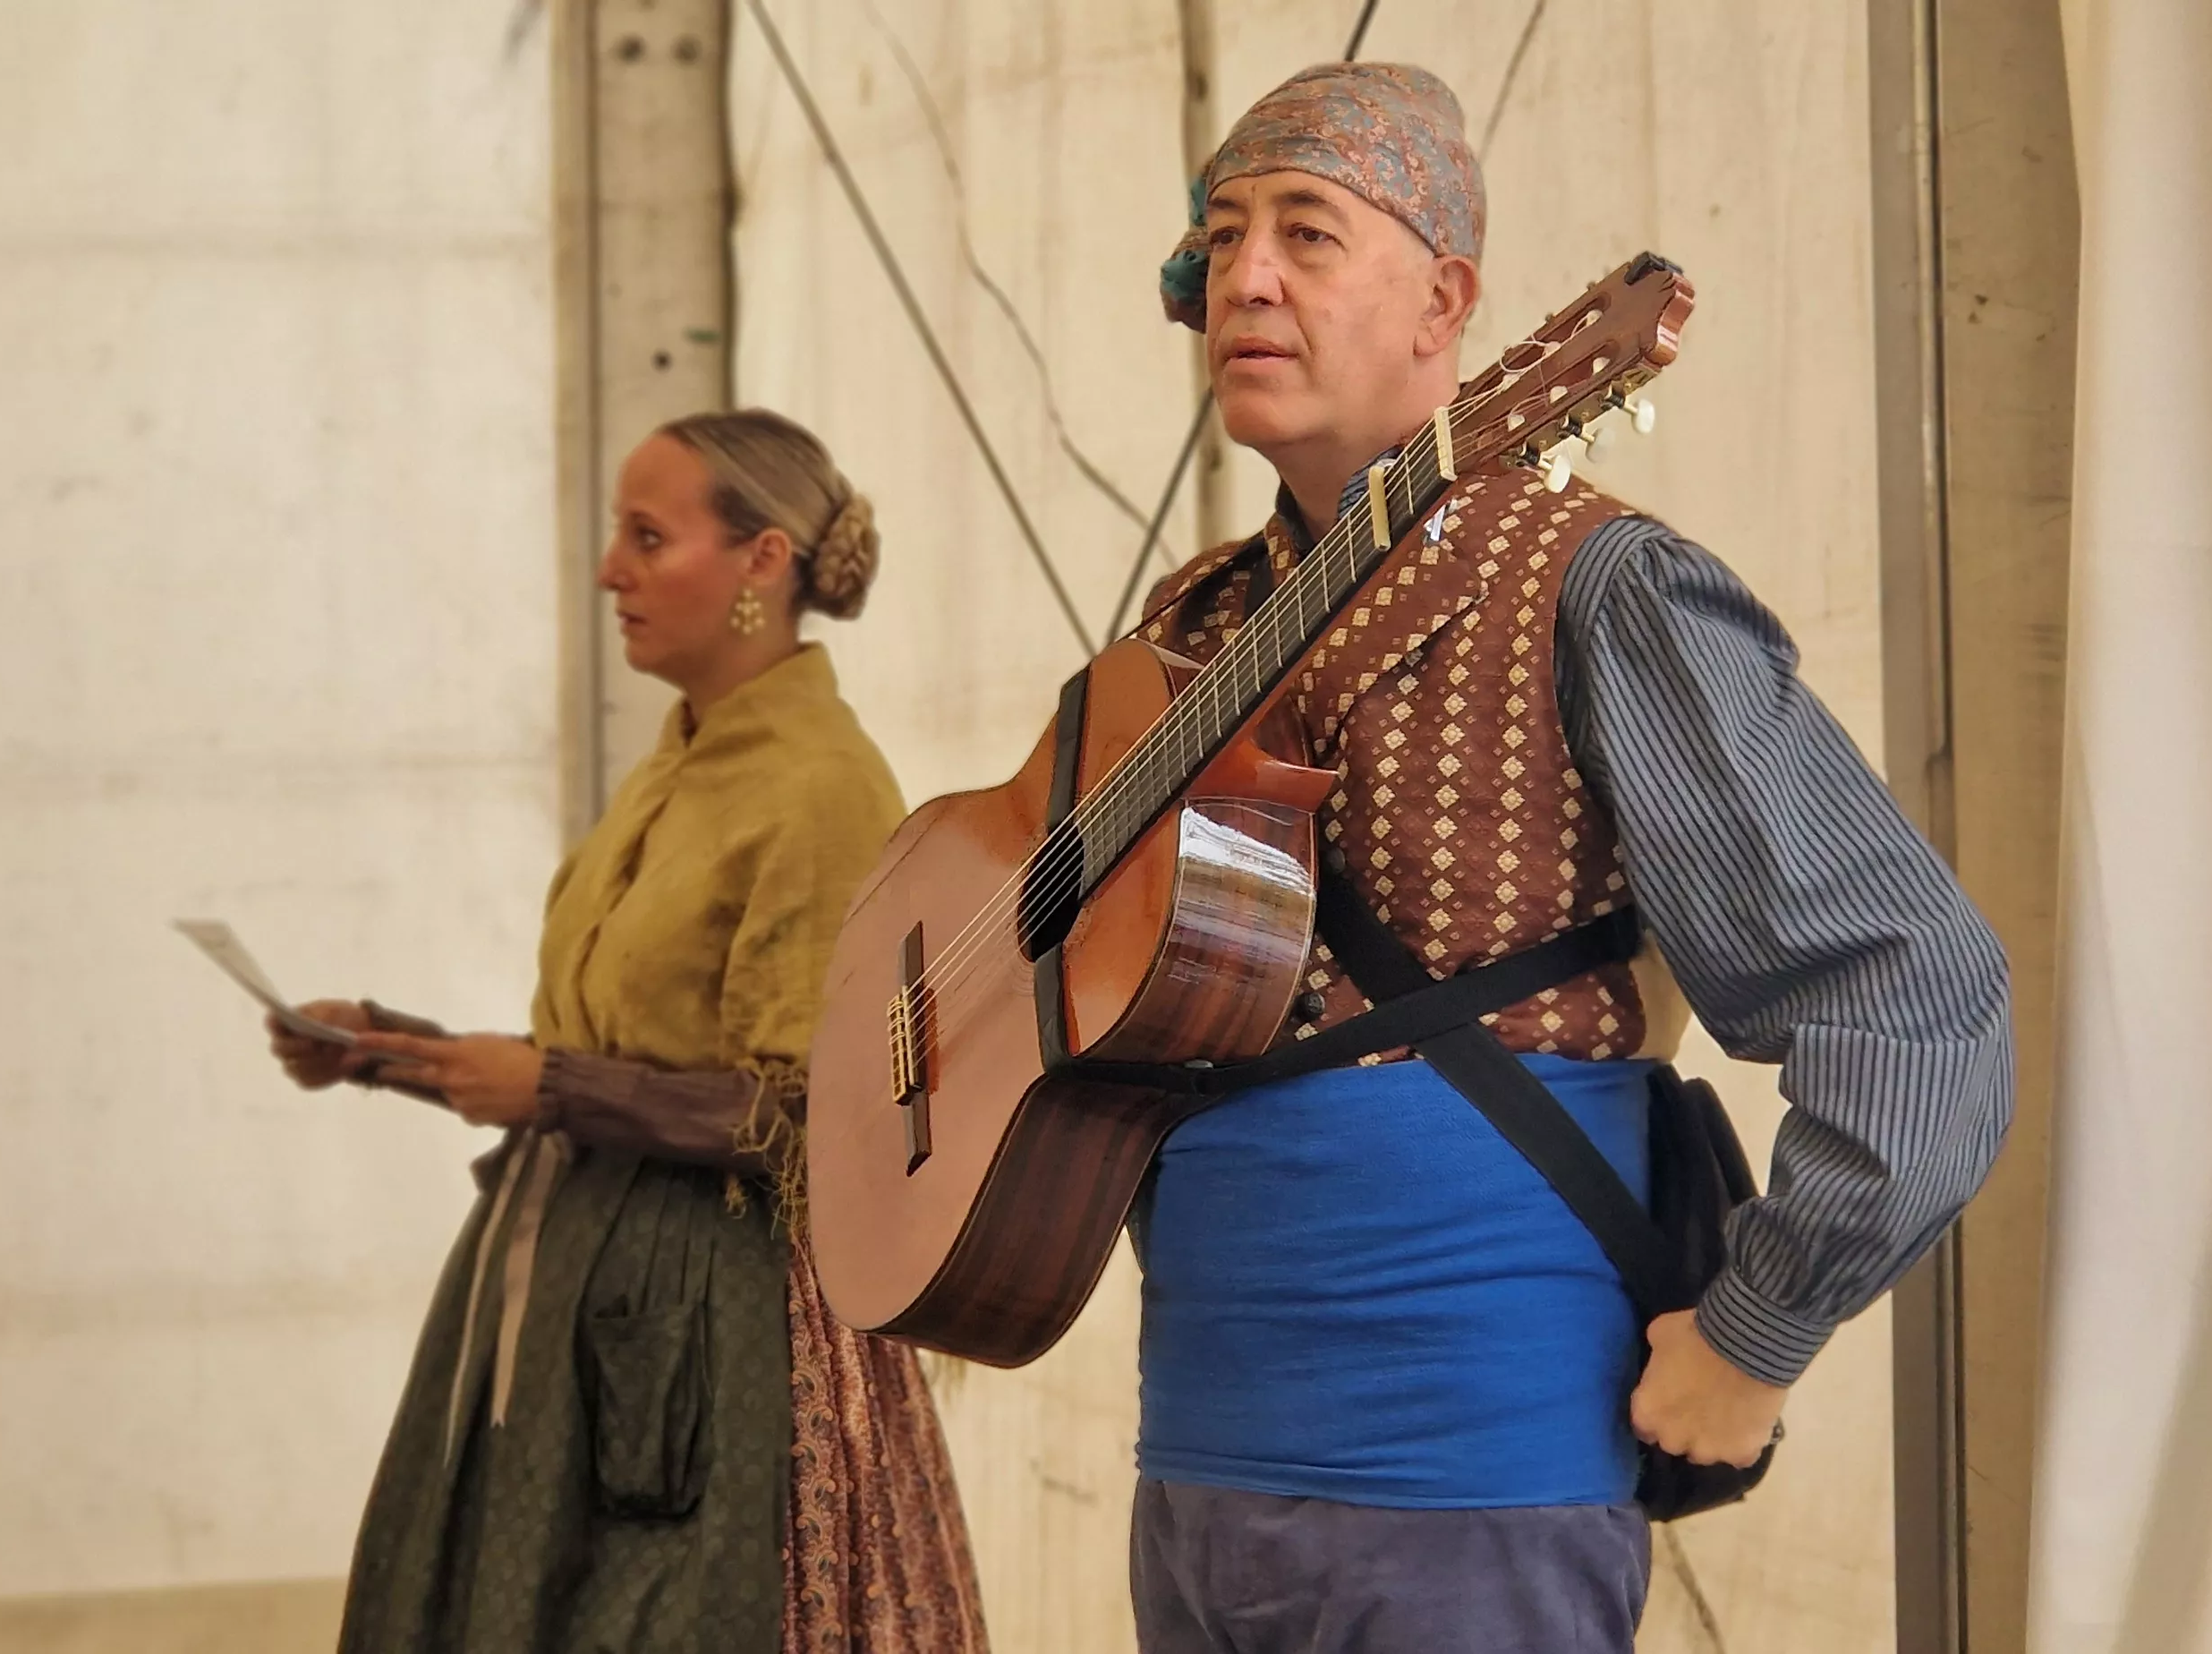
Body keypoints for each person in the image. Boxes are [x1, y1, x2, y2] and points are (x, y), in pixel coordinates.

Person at [1117, 64, 2015, 1650]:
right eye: (1226, 234)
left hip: (1466, 1486)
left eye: (1311, 235)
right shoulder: (1186, 633)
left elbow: (1913, 999)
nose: (1246, 276)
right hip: (1196, 1459)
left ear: (1441, 302)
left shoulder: (1601, 588)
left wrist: (1757, 1330)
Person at [267, 410, 989, 1654]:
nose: (611, 570)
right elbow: (618, 1045)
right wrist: (393, 1051)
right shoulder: (686, 757)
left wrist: (552, 1090)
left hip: (719, 1322)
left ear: (762, 562)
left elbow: (809, 1119)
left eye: (648, 538)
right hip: (591, 1287)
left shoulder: (819, 786)